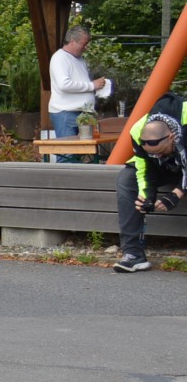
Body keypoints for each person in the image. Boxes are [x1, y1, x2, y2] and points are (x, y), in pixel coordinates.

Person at [114, 107, 187, 273]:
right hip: (164, 169)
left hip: (183, 163)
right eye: (152, 154)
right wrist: (146, 197)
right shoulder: (137, 131)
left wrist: (176, 194)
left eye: (160, 152)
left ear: (171, 137)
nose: (157, 157)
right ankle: (133, 254)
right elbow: (144, 168)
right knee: (126, 179)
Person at [48, 26, 105, 163]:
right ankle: (63, 184)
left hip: (81, 114)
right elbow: (64, 84)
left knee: (78, 155)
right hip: (65, 114)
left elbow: (78, 84)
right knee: (67, 156)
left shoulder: (79, 60)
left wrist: (97, 89)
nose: (85, 47)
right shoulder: (60, 58)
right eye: (84, 44)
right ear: (72, 41)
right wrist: (92, 85)